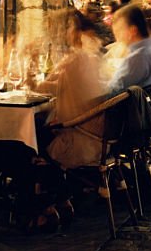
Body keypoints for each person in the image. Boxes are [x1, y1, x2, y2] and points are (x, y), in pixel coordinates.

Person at [36, 11, 109, 169]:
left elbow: (42, 89)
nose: (66, 32)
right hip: (100, 137)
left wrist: (28, 79)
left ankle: (35, 185)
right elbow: (60, 85)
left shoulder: (74, 60)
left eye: (68, 27)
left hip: (79, 138)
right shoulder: (91, 58)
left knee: (33, 131)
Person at [108, 5, 151, 93]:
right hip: (146, 102)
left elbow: (114, 90)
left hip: (129, 105)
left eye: (118, 31)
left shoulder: (138, 57)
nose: (117, 38)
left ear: (133, 31)